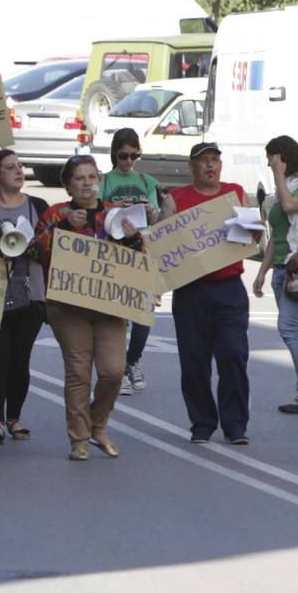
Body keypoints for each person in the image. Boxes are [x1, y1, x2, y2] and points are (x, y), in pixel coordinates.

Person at [32, 155, 139, 461]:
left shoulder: (115, 214)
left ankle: (97, 425)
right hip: (68, 307)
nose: (87, 184)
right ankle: (79, 438)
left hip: (109, 304)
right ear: (68, 186)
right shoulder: (56, 214)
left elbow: (140, 257)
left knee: (113, 371)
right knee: (79, 372)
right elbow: (35, 251)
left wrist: (132, 239)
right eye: (79, 178)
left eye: (92, 177)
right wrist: (65, 226)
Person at [167, 143, 251, 445]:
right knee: (194, 359)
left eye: (214, 160)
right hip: (191, 290)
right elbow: (162, 242)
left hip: (229, 288)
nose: (210, 166)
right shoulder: (176, 198)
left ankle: (235, 424)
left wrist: (253, 228)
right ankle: (202, 422)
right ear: (191, 166)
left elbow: (253, 235)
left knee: (233, 353)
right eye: (203, 161)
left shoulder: (235, 193)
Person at [253, 135, 298, 413]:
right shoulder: (283, 186)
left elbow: (291, 205)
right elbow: (276, 235)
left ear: (283, 157)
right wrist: (262, 271)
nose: (269, 164)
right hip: (281, 268)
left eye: (272, 158)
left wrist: (278, 175)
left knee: (289, 327)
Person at [0, 149, 49, 445]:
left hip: (31, 293)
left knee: (20, 358)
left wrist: (36, 246)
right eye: (10, 167)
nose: (19, 171)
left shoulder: (37, 206)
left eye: (20, 166)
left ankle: (14, 417)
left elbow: (51, 246)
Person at [101, 128, 175, 396]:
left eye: (134, 155)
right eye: (123, 156)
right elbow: (96, 213)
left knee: (144, 315)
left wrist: (151, 210)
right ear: (114, 154)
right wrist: (117, 208)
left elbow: (157, 224)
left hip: (143, 252)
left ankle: (132, 362)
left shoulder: (147, 181)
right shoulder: (104, 180)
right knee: (119, 315)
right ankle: (119, 369)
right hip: (115, 252)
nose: (129, 161)